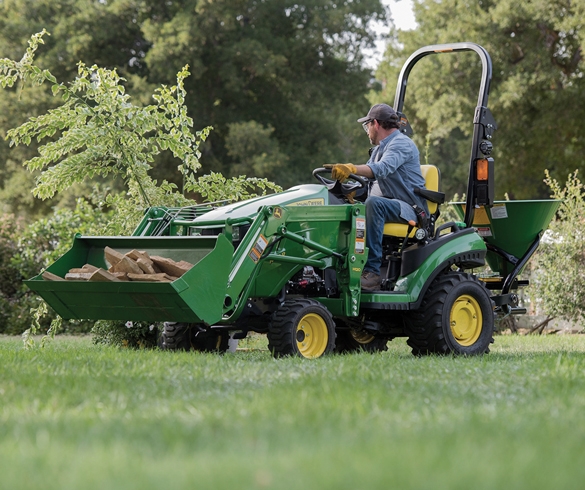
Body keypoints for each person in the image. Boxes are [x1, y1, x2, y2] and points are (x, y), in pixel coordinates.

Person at [326, 103, 428, 291]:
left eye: (367, 126)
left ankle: (372, 272)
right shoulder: (379, 150)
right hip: (389, 204)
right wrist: (345, 191)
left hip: (410, 208)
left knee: (374, 204)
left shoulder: (401, 143)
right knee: (341, 201)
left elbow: (381, 170)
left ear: (375, 124)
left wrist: (352, 168)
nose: (367, 131)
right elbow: (366, 182)